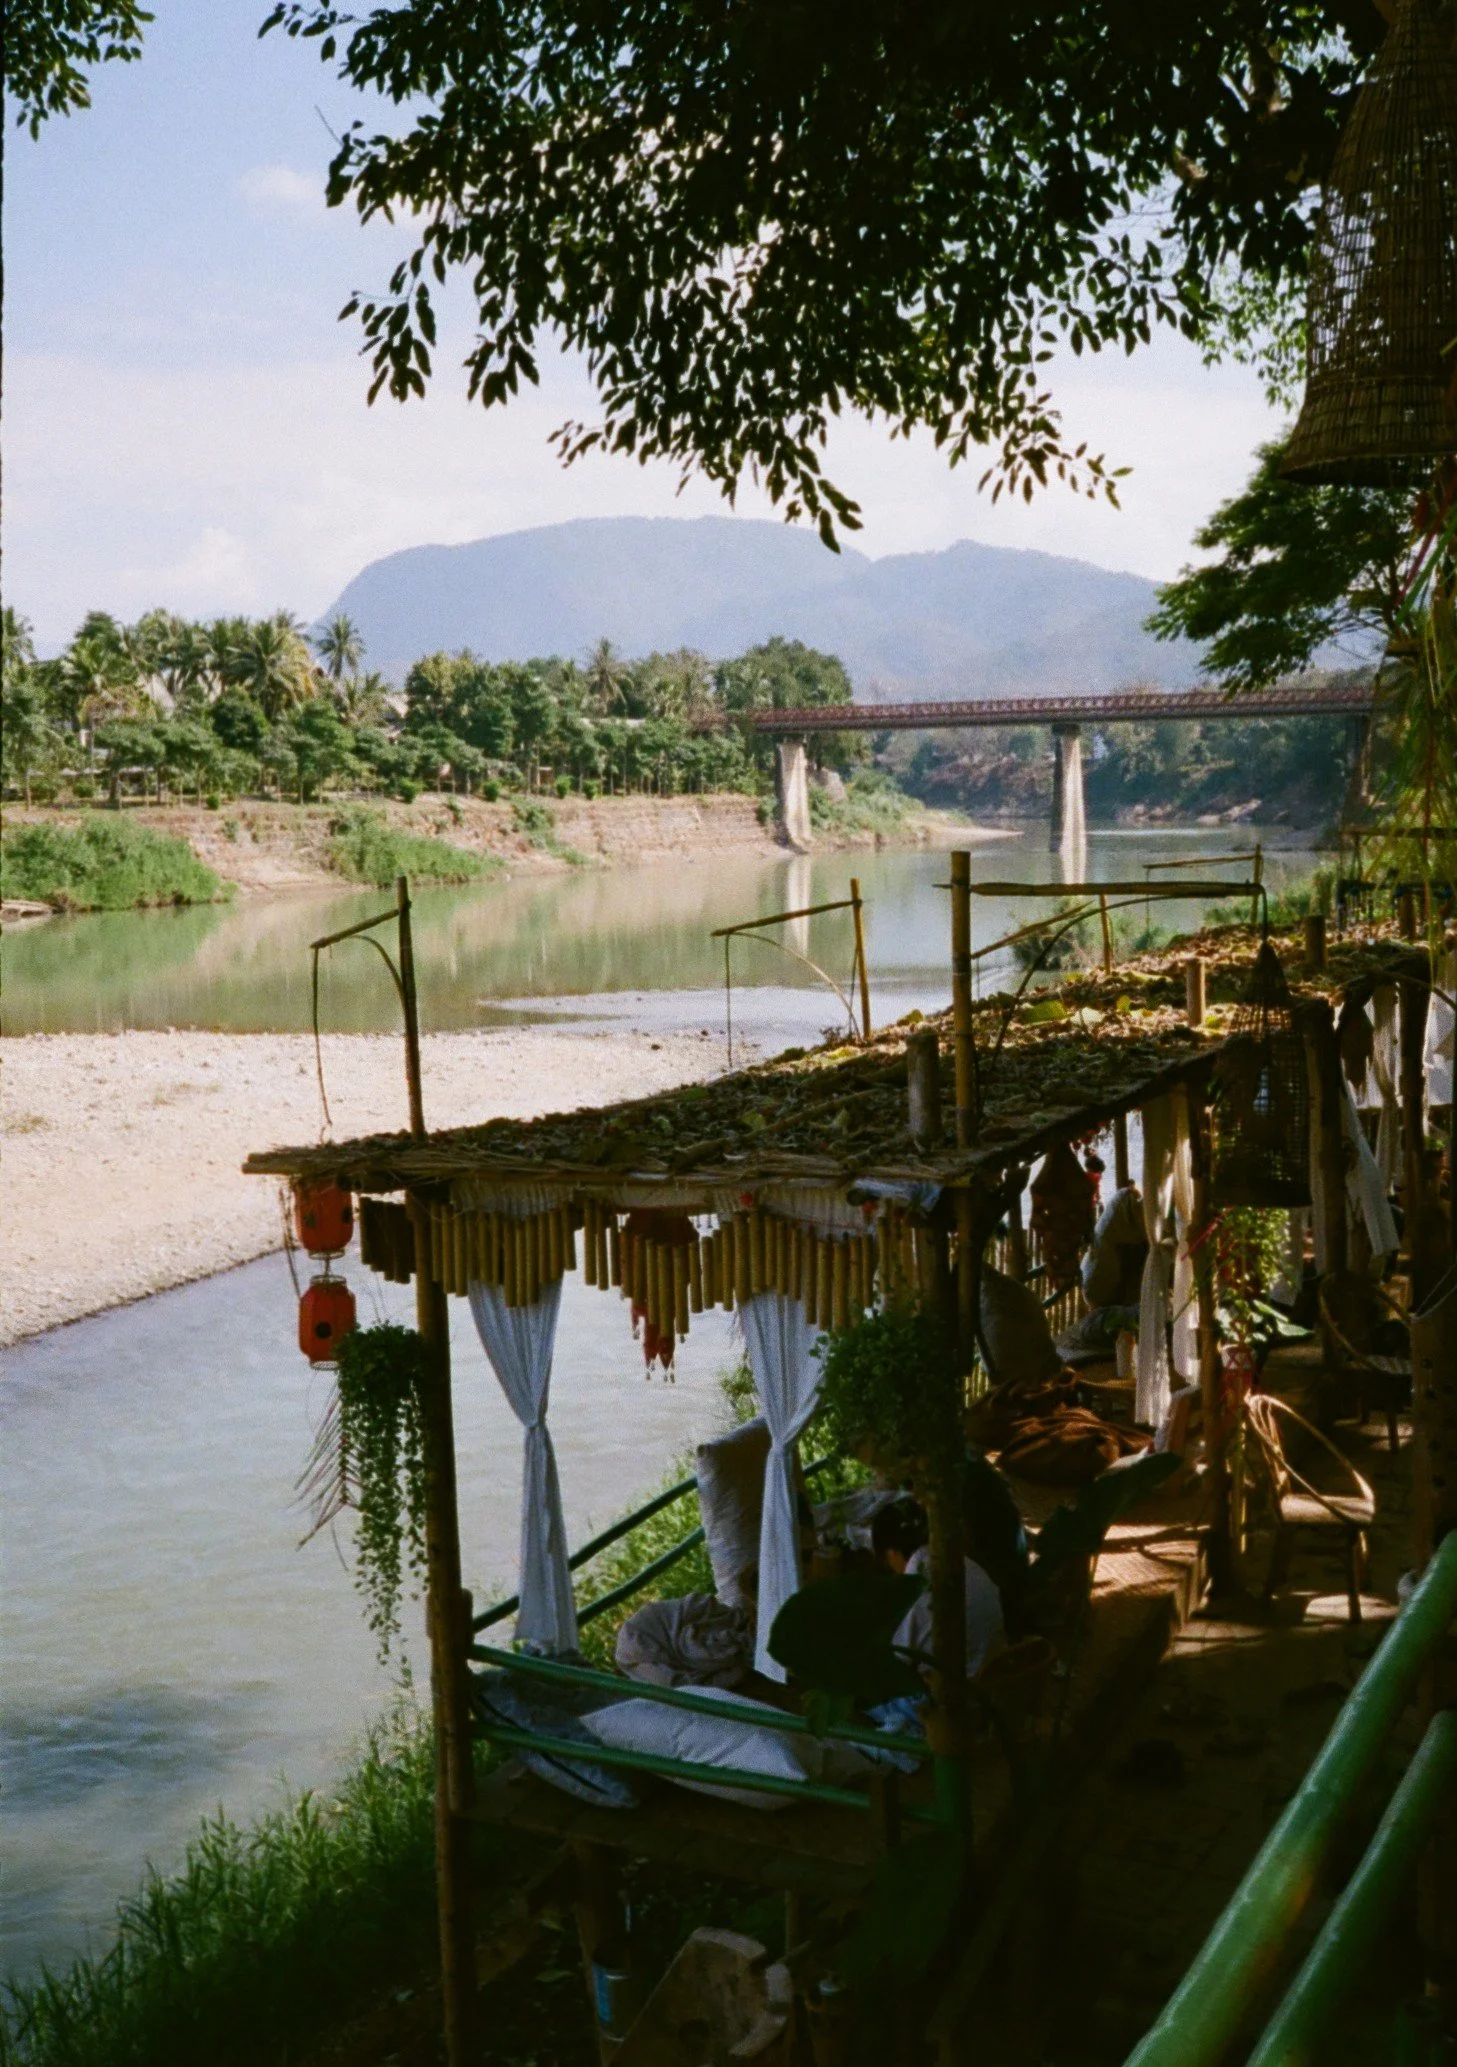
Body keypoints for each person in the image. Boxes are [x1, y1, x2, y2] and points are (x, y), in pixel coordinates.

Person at [871, 1497, 1004, 1678]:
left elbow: (898, 1659)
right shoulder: (964, 1562)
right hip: (997, 1670)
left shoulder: (915, 1585)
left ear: (891, 1552)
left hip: (963, 1690)